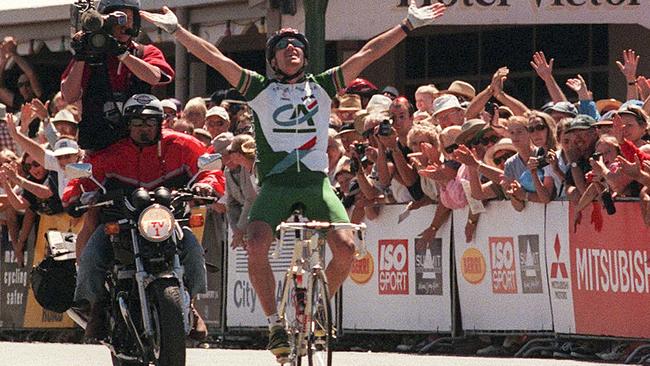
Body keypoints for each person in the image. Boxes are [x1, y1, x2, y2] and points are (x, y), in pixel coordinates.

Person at [141, 0, 446, 359]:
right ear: (273, 61)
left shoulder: (322, 86)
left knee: (347, 248)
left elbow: (368, 52)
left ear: (305, 55)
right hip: (276, 186)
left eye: (297, 46)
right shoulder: (259, 90)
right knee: (256, 244)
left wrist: (407, 25)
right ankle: (274, 325)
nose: (291, 50)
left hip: (316, 184)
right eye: (283, 47)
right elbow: (213, 57)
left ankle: (317, 312)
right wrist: (177, 31)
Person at [62, 94, 225, 341]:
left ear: (161, 123)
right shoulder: (112, 153)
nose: (144, 128)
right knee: (92, 255)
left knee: (192, 249)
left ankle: (189, 304)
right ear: (127, 125)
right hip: (122, 223)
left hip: (167, 221)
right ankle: (96, 307)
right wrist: (75, 196)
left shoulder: (183, 145)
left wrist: (207, 186)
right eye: (137, 123)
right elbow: (83, 179)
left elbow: (209, 170)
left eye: (150, 122)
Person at [60, 0, 174, 151]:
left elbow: (156, 77)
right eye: (116, 20)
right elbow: (69, 96)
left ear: (135, 23)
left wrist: (122, 54)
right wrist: (81, 56)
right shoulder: (90, 55)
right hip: (100, 146)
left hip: (140, 146)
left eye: (128, 19)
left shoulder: (144, 52)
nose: (122, 26)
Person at [0, 36, 43, 112]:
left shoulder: (39, 99)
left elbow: (31, 74)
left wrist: (13, 53)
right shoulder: (19, 102)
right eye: (20, 85)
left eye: (27, 84)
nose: (24, 88)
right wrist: (3, 61)